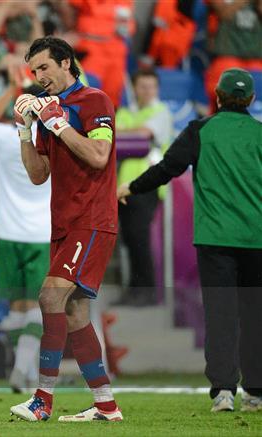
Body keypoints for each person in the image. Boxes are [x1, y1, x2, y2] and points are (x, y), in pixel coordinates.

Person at [118, 68, 262, 413]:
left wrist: (132, 187)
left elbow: (168, 167)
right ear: (252, 100)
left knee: (221, 315)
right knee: (255, 316)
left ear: (217, 97)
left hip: (215, 240)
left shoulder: (200, 131)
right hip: (257, 239)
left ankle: (224, 391)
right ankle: (255, 393)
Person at [9, 36, 122, 422]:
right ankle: (106, 405)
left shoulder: (95, 101)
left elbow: (99, 154)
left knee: (49, 297)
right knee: (74, 313)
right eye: (34, 71)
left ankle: (42, 400)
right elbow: (38, 175)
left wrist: (56, 123)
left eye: (44, 68)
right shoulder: (46, 112)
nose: (39, 77)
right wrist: (26, 130)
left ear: (66, 63)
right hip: (64, 224)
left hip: (91, 219)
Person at [0, 74, 50, 393]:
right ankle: (23, 371)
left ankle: (26, 373)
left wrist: (11, 89)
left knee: (18, 306)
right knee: (37, 306)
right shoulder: (55, 139)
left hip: (8, 231)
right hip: (43, 232)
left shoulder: (6, 137)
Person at [115, 69, 173, 305]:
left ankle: (147, 292)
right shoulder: (125, 112)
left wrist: (124, 133)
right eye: (142, 86)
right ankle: (134, 290)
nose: (147, 91)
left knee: (139, 238)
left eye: (151, 87)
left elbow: (143, 133)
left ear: (157, 89)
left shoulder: (161, 112)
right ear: (135, 88)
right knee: (129, 238)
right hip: (122, 186)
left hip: (147, 185)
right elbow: (113, 136)